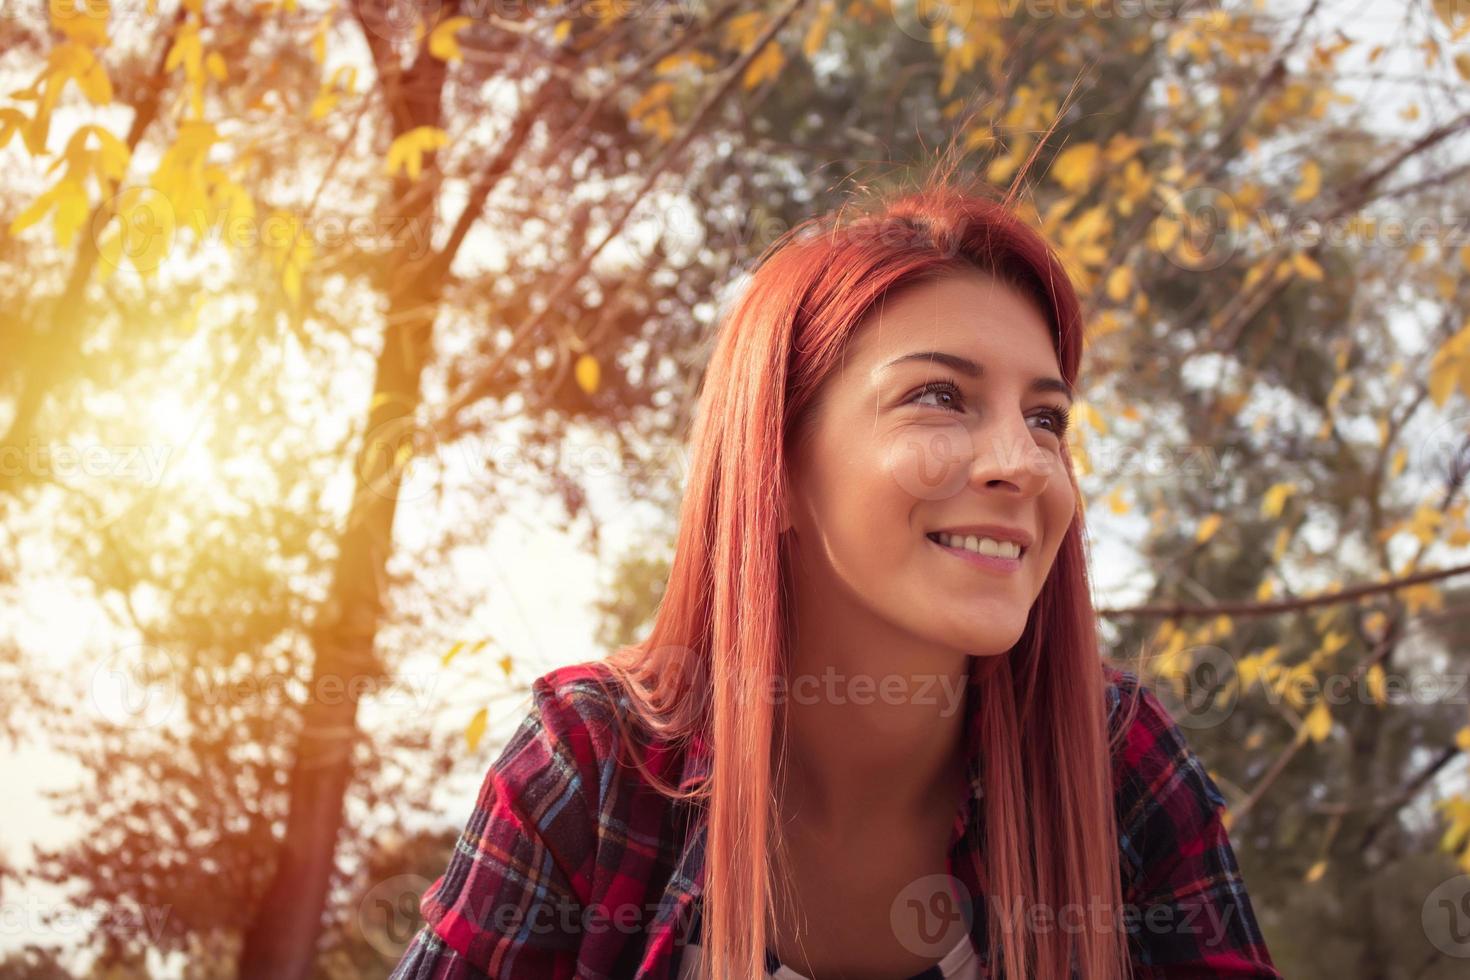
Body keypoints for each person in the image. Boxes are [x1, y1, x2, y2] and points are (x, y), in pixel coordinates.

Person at [388, 163, 1283, 980]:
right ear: (772, 469)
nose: (1023, 461)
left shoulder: (1116, 767)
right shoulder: (594, 765)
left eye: (1046, 420)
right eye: (938, 397)